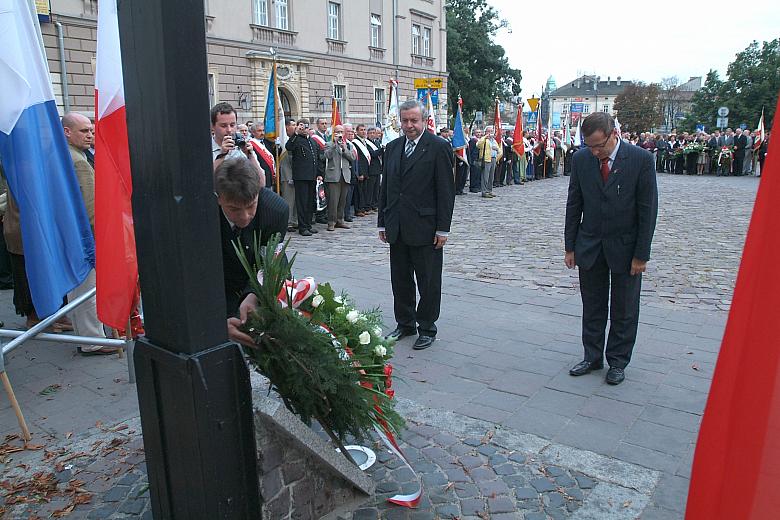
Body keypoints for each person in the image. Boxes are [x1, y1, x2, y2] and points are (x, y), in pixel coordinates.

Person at [564, 112, 658, 385]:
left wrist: (641, 254)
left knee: (624, 308)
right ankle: (592, 356)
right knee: (592, 305)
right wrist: (570, 246)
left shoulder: (640, 160)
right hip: (590, 244)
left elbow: (647, 210)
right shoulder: (582, 159)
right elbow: (574, 204)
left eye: (599, 146)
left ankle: (617, 360)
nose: (595, 152)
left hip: (625, 248)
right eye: (589, 146)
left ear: (613, 135)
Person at [378, 100, 455, 350]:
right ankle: (405, 323)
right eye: (405, 121)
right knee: (400, 280)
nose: (409, 125)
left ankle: (427, 327)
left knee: (428, 281)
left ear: (424, 121)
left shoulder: (438, 147)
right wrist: (382, 223)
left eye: (414, 120)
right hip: (397, 226)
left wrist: (443, 228)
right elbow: (386, 188)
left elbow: (446, 192)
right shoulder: (393, 147)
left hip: (426, 228)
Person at [62, 112, 118, 355]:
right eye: (84, 131)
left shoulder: (67, 154)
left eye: (91, 131)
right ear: (67, 132)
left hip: (71, 233)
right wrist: (102, 239)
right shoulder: (79, 162)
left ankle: (84, 335)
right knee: (87, 288)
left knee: (78, 288)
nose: (90, 135)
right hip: (86, 236)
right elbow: (90, 207)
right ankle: (92, 340)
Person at [216, 157, 288, 317]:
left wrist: (255, 293)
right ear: (219, 198)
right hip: (219, 288)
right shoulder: (204, 213)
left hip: (261, 284)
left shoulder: (276, 211)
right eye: (234, 209)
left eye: (251, 206)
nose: (245, 216)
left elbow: (272, 261)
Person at [285, 118, 319, 236]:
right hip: (301, 177)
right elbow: (288, 147)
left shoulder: (312, 141)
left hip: (312, 176)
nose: (304, 129)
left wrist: (319, 174)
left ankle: (308, 225)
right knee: (302, 203)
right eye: (302, 126)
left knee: (310, 202)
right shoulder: (296, 139)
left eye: (306, 126)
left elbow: (317, 158)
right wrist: (295, 133)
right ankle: (303, 227)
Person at [323, 125, 354, 231]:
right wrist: (334, 145)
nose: (340, 134)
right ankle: (331, 222)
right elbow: (327, 156)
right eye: (337, 132)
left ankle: (340, 220)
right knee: (333, 200)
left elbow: (352, 157)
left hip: (345, 175)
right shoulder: (328, 144)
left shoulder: (348, 145)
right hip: (333, 176)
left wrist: (344, 148)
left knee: (342, 200)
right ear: (333, 133)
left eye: (341, 132)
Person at [476, 126, 502, 198]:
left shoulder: (494, 140)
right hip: (486, 159)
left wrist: (497, 149)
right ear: (485, 132)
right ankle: (484, 191)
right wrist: (485, 137)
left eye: (491, 131)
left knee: (491, 176)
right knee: (485, 176)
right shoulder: (484, 139)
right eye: (488, 131)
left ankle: (489, 190)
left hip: (493, 158)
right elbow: (478, 145)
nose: (490, 133)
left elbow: (499, 150)